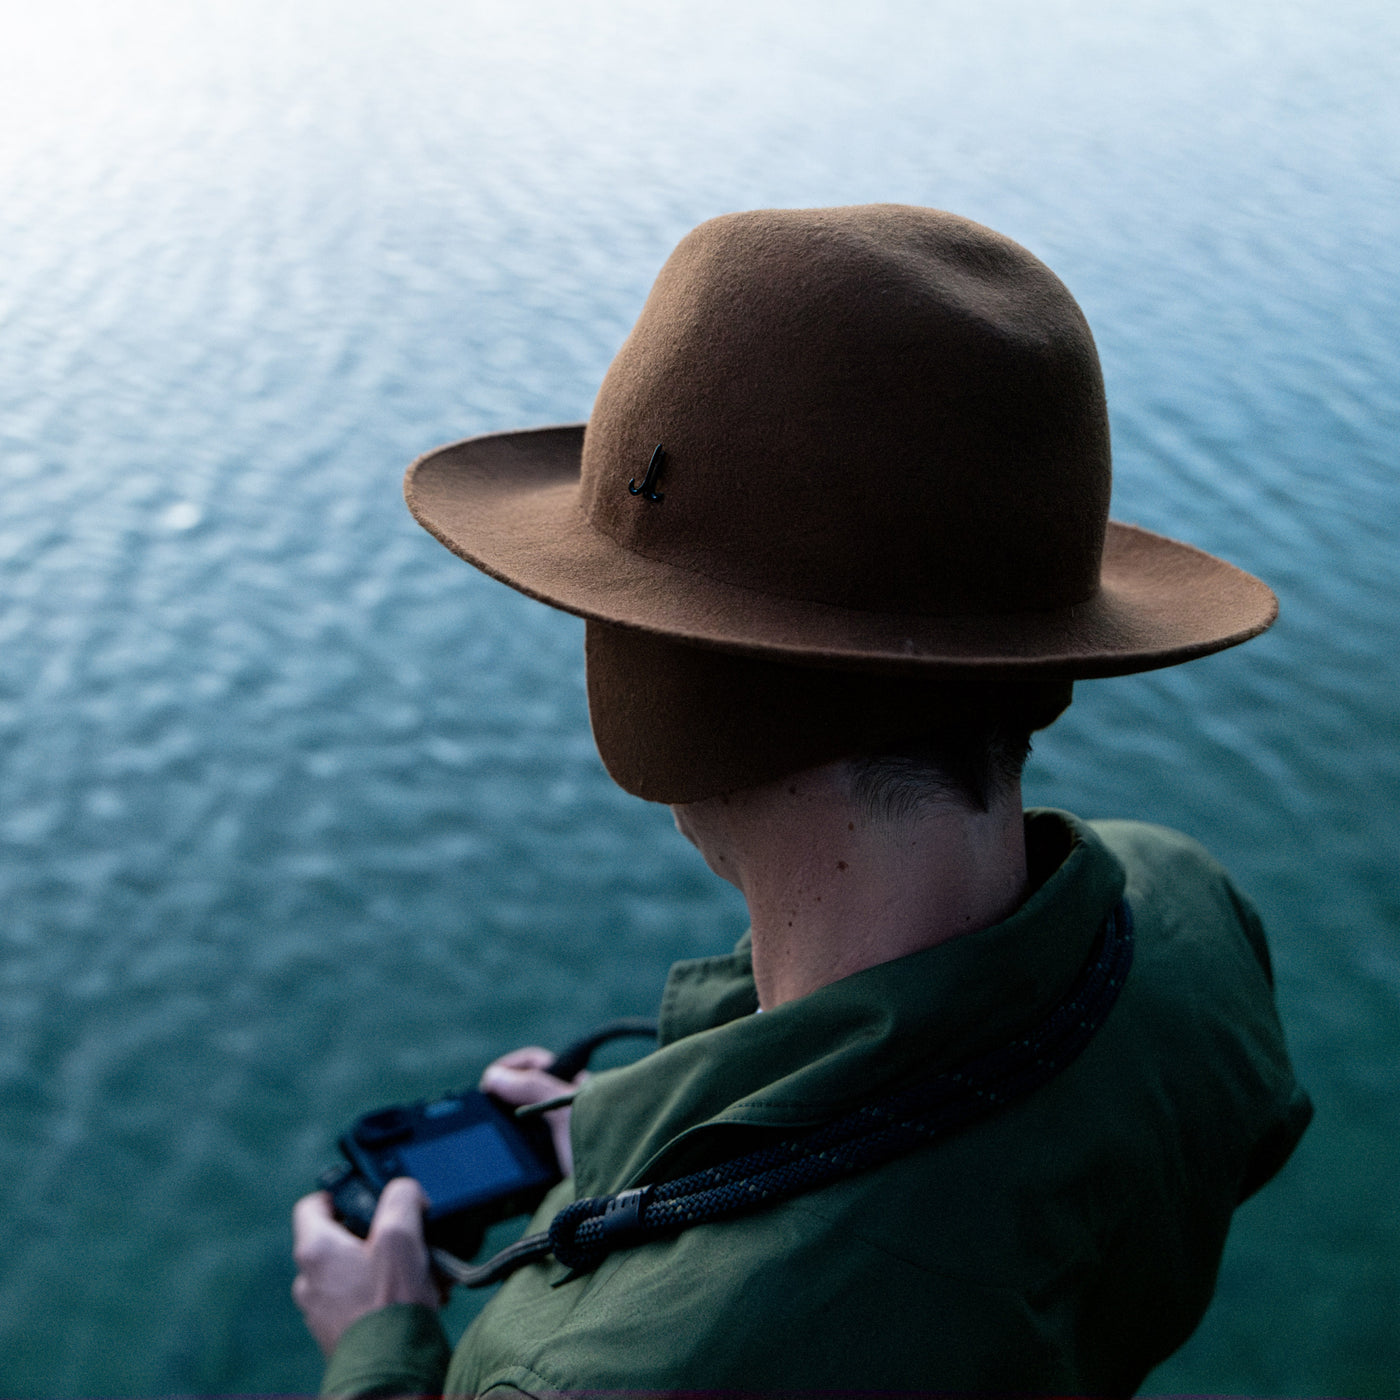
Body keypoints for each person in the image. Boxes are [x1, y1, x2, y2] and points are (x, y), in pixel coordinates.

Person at [292, 205, 1312, 1396]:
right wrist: (633, 1130)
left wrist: (379, 1341)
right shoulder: (1183, 911)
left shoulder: (614, 1373)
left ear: (676, 683)